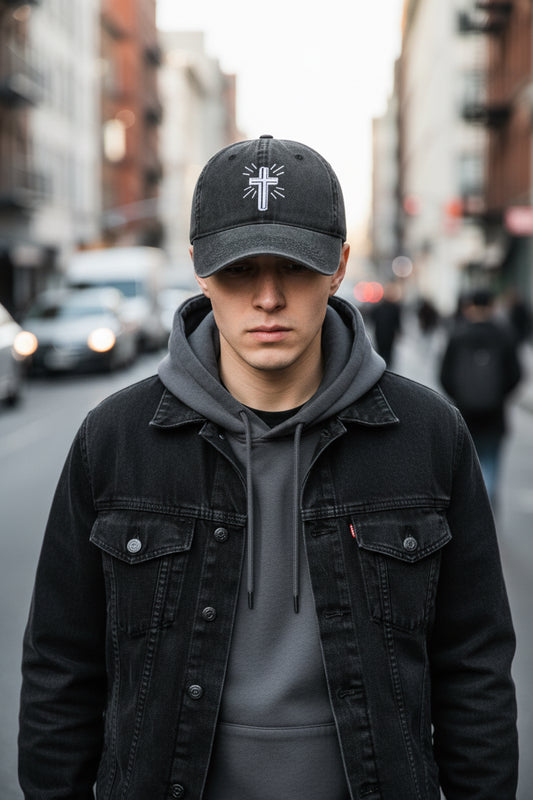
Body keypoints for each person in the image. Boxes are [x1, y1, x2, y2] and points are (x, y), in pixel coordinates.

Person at [19, 136, 518, 800]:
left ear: (338, 267)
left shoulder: (427, 435)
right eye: (238, 271)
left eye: (295, 268)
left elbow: (473, 669)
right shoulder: (115, 439)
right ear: (199, 268)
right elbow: (61, 669)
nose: (268, 298)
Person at [439, 288, 522, 507]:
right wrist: (498, 395)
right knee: (491, 459)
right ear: (493, 306)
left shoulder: (457, 335)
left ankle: (474, 507)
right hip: (495, 412)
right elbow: (516, 375)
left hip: (464, 412)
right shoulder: (504, 335)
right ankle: (487, 502)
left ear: (470, 307)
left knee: (469, 463)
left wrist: (461, 396)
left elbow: (445, 375)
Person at [368, 281, 402, 366]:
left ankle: (387, 365)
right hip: (380, 332)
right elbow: (372, 317)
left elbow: (397, 321)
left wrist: (399, 331)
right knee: (380, 350)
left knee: (388, 352)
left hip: (389, 334)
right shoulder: (379, 306)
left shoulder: (395, 307)